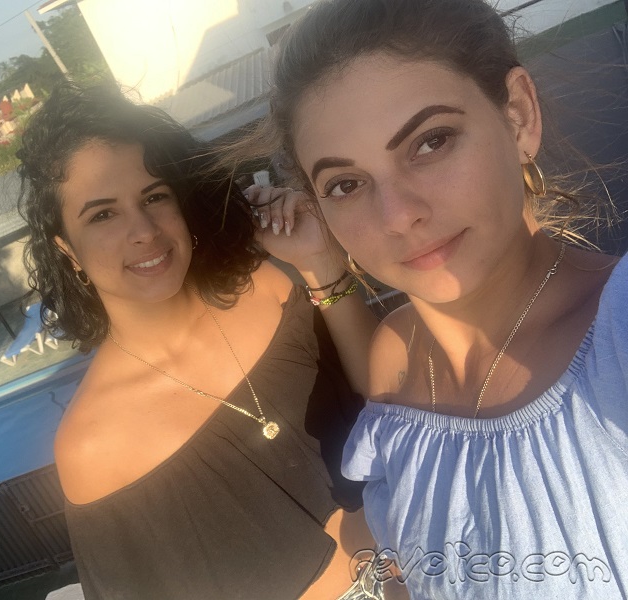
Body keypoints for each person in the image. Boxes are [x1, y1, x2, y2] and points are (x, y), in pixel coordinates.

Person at [234, 0, 628, 597]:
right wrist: (319, 262)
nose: (397, 216)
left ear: (518, 116)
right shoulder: (396, 357)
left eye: (430, 142)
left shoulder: (616, 332)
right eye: (346, 184)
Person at [16, 82, 377, 599]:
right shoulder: (92, 447)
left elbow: (393, 402)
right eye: (102, 214)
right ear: (68, 250)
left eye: (154, 197)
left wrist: (320, 263)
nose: (144, 230)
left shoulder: (267, 287)